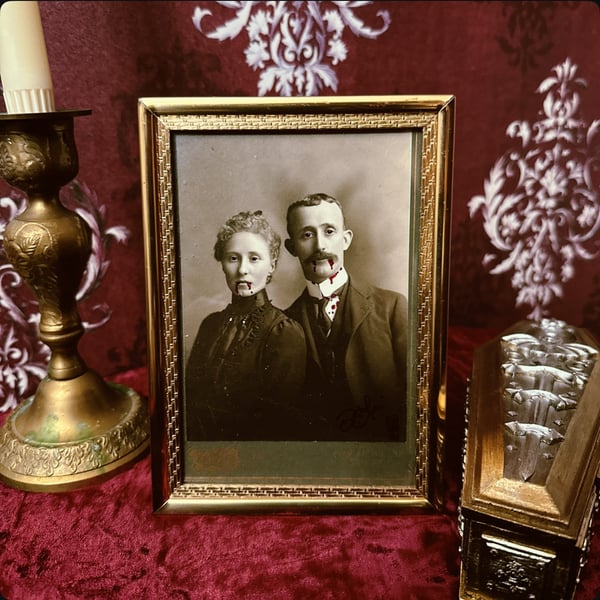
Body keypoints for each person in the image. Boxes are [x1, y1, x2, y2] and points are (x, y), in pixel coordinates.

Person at [284, 193, 408, 442]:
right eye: (307, 235)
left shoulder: (391, 307)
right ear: (291, 247)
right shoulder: (283, 324)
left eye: (329, 231)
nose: (320, 246)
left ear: (346, 239)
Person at [186, 210, 306, 441]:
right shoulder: (210, 325)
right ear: (222, 264)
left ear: (271, 265)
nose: (242, 269)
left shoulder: (284, 332)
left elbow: (279, 423)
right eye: (233, 258)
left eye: (254, 258)